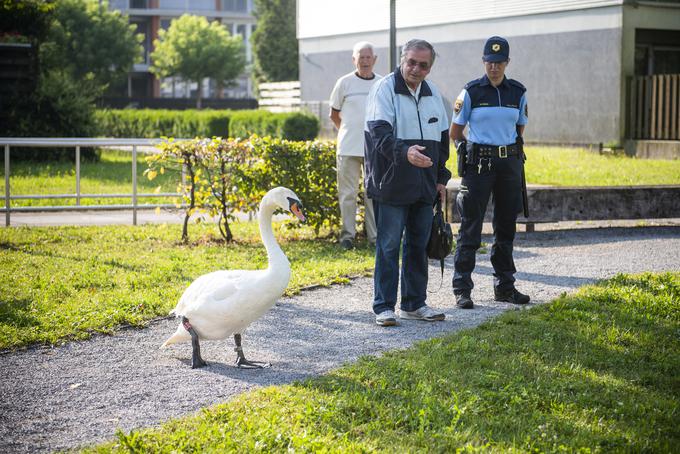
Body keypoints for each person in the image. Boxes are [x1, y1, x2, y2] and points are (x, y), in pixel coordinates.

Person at [364, 39, 451, 326]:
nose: (415, 69)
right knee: (388, 246)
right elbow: (379, 135)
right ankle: (383, 306)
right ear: (403, 59)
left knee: (418, 244)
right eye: (411, 62)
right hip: (391, 183)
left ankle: (414, 304)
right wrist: (406, 152)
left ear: (430, 68)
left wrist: (440, 179)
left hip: (425, 186)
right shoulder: (384, 88)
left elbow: (442, 142)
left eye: (423, 65)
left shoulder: (434, 94)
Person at [450, 36, 530, 309]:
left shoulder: (518, 92)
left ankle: (505, 287)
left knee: (505, 228)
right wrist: (467, 152)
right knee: (470, 227)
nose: (493, 67)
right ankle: (462, 289)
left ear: (507, 62)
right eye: (489, 62)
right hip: (479, 166)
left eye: (499, 62)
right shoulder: (471, 92)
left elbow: (519, 129)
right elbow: (455, 132)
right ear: (483, 62)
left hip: (509, 166)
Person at [329, 41, 381, 250]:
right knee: (347, 194)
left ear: (374, 59)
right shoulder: (344, 83)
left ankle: (375, 237)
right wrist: (348, 131)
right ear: (354, 59)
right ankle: (347, 236)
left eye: (368, 57)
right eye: (361, 57)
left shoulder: (381, 83)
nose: (365, 61)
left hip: (373, 149)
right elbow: (334, 114)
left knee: (372, 194)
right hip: (347, 148)